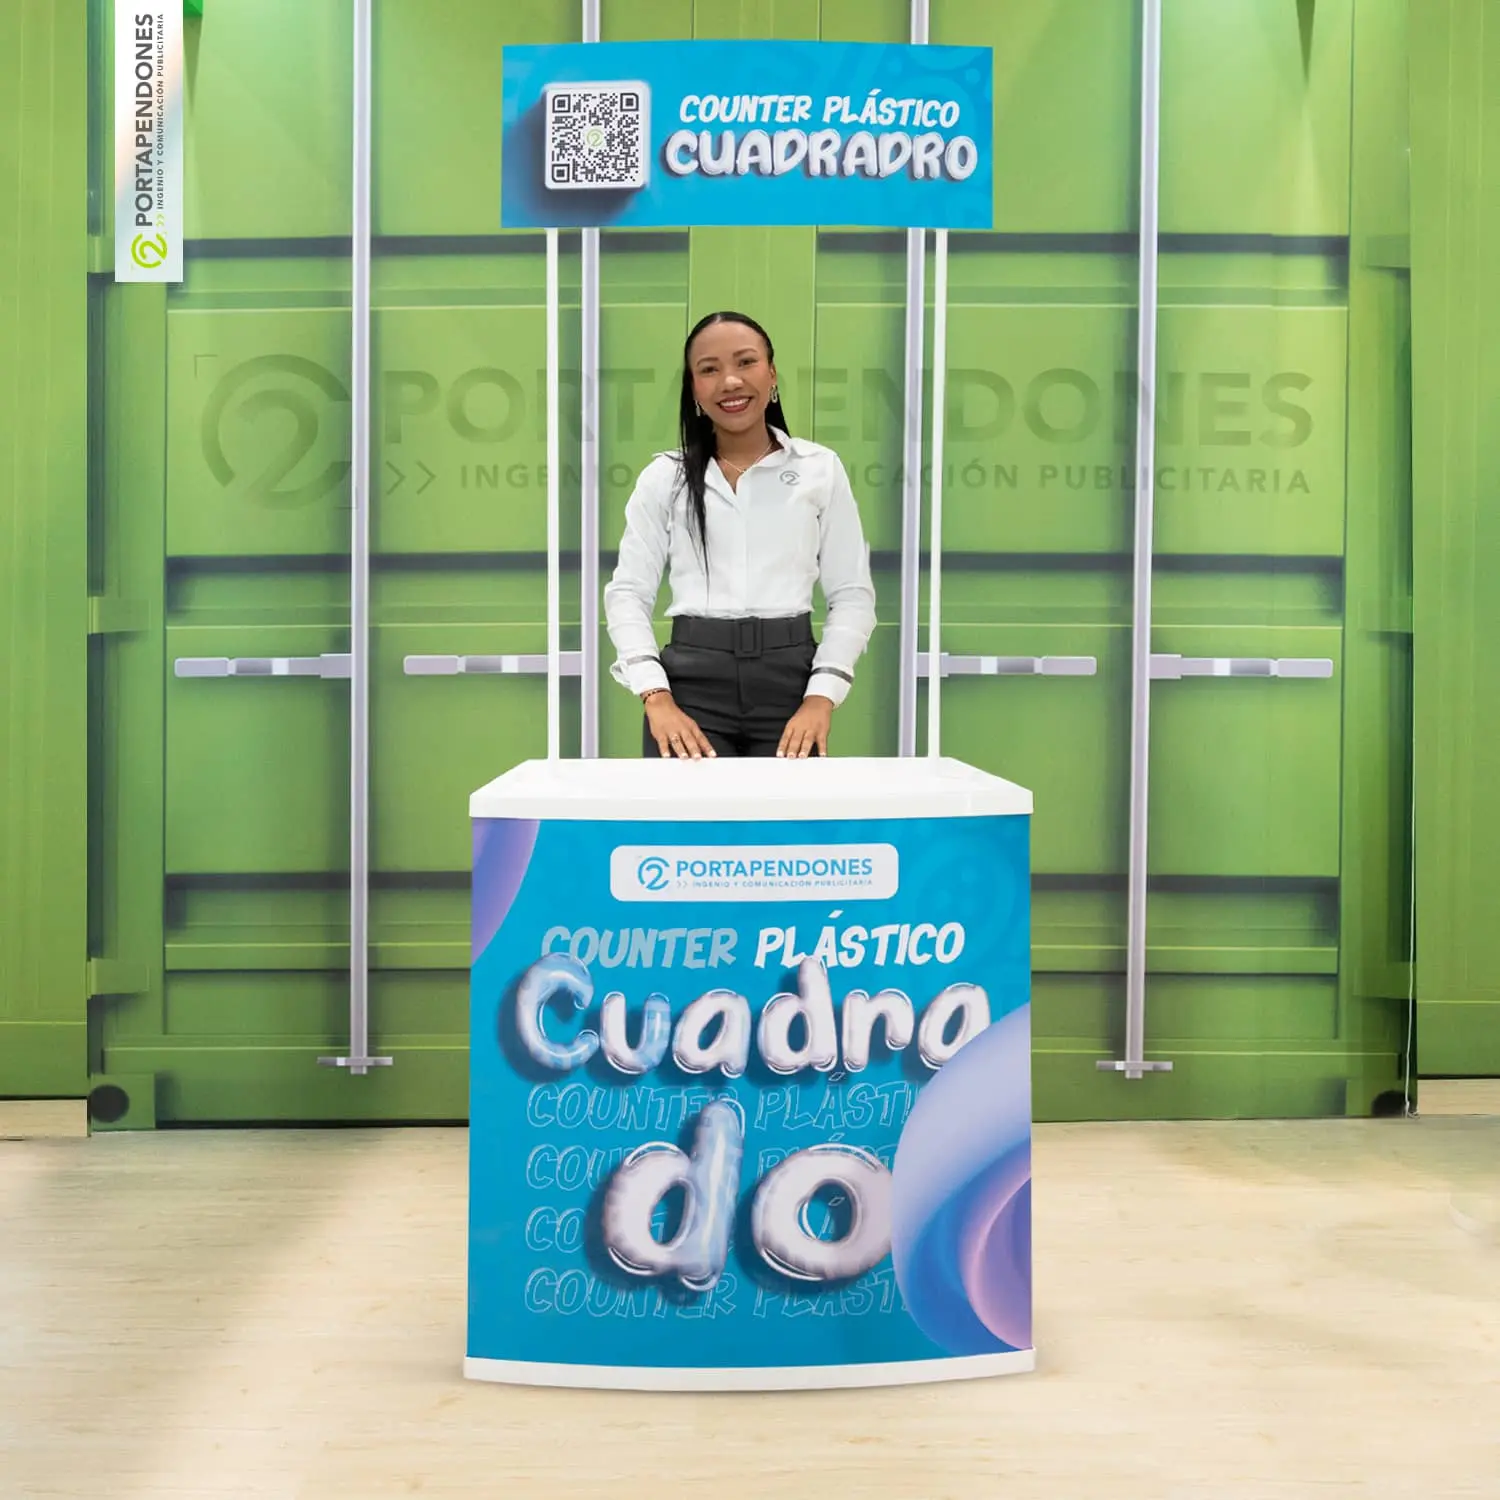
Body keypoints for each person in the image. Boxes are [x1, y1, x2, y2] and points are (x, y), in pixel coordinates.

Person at [604, 310, 877, 760]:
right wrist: (656, 696)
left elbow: (852, 593)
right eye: (709, 369)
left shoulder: (819, 469)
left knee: (786, 810)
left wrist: (822, 696)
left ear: (772, 374)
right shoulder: (665, 477)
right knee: (686, 810)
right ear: (694, 388)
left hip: (791, 686)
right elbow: (628, 592)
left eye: (746, 362)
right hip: (690, 690)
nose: (730, 381)